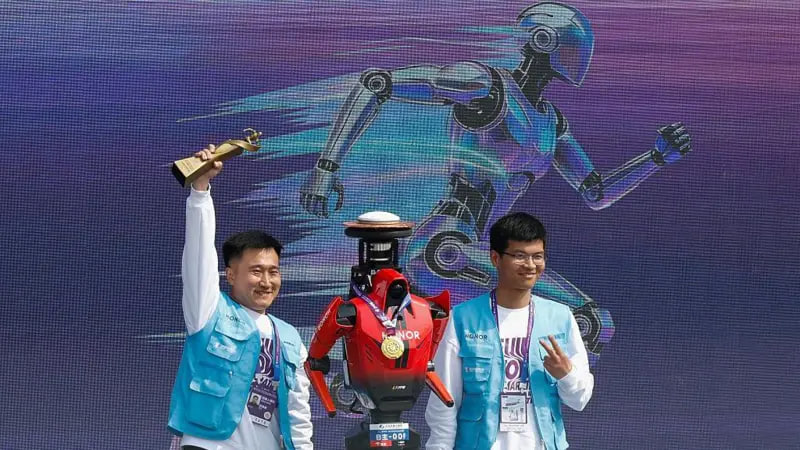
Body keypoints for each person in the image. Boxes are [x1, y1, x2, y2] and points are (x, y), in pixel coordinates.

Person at [167, 145, 313, 450]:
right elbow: (199, 255)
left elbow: (298, 414)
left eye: (273, 272)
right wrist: (200, 190)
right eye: (256, 271)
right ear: (231, 275)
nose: (266, 282)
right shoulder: (209, 312)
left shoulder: (290, 337)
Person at [425, 212, 593, 450]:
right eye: (519, 256)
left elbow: (579, 400)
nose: (530, 265)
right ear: (495, 258)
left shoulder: (560, 317)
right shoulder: (463, 318)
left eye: (538, 256)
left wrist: (566, 374)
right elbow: (445, 399)